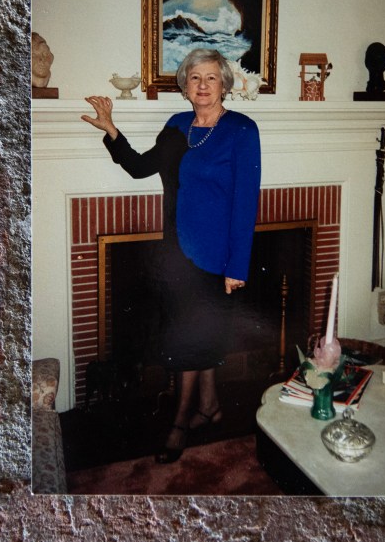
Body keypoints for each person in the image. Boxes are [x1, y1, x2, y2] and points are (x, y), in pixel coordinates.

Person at [81, 48, 261, 463]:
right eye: (194, 77)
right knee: (197, 335)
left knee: (189, 339)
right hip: (176, 252)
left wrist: (239, 265)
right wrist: (111, 128)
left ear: (224, 84)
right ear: (184, 86)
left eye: (211, 77)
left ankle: (178, 423)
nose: (202, 85)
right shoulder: (177, 126)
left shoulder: (242, 130)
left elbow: (246, 203)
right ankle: (209, 407)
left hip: (217, 257)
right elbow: (141, 168)